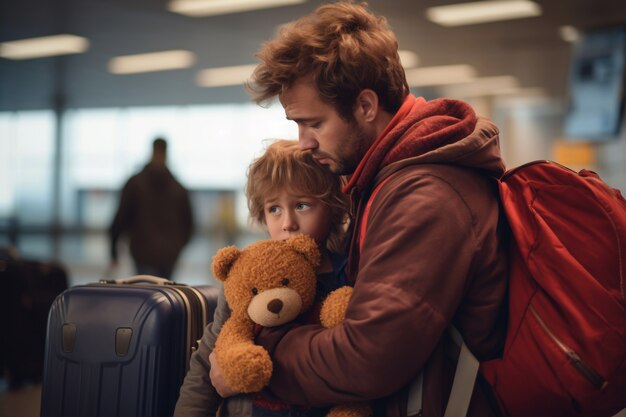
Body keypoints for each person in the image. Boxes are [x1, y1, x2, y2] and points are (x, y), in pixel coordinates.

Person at [209, 2, 509, 417]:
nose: (304, 142)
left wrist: (260, 353)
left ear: (366, 106)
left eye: (314, 123)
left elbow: (369, 358)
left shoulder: (425, 197)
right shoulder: (390, 179)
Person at [174, 139, 350, 416]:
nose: (287, 223)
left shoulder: (348, 275)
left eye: (302, 205)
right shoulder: (246, 275)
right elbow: (208, 363)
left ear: (333, 207)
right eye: (274, 209)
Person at [109, 137, 193, 279]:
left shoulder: (135, 184)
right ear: (166, 153)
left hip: (142, 252)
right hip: (169, 255)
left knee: (146, 295)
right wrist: (177, 247)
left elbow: (121, 218)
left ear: (152, 151)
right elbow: (189, 224)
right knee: (167, 295)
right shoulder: (178, 188)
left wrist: (114, 250)